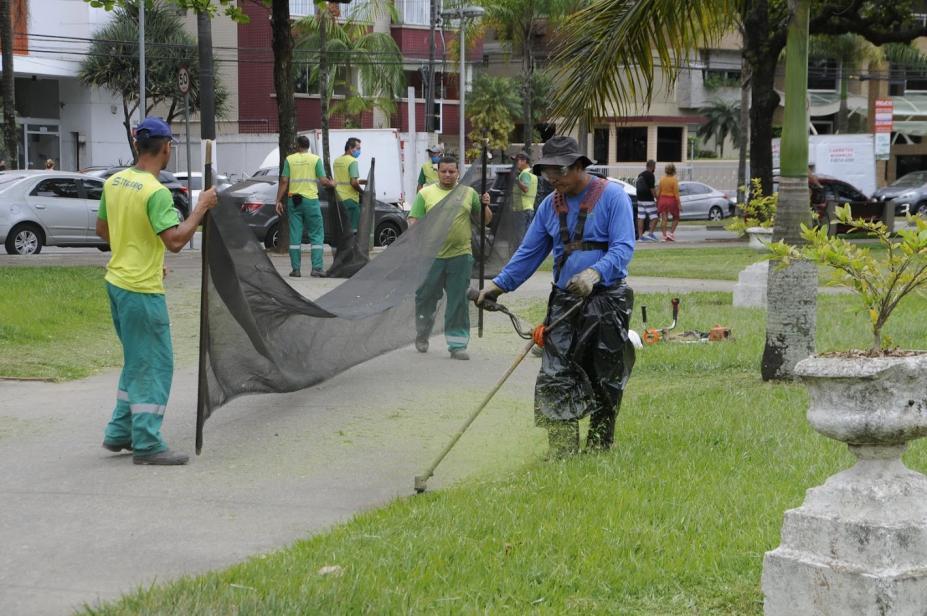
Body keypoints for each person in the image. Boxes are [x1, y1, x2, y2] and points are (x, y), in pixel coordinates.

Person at [477, 136, 636, 458]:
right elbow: (529, 252)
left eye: (559, 171)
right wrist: (499, 285)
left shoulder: (613, 198)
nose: (553, 179)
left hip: (607, 301)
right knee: (555, 375)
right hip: (564, 302)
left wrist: (595, 274)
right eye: (548, 172)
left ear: (579, 166)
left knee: (603, 375)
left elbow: (623, 248)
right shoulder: (550, 206)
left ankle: (599, 445)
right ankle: (562, 451)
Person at [95, 117, 218, 465]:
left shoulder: (115, 182)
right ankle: (147, 442)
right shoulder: (156, 192)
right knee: (154, 364)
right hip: (141, 292)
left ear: (137, 145)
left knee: (136, 359)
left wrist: (144, 253)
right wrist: (201, 209)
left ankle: (120, 432)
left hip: (118, 284)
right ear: (166, 148)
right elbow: (177, 240)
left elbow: (104, 230)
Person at [410, 156, 492, 360]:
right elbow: (414, 220)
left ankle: (457, 345)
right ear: (437, 172)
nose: (447, 175)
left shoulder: (468, 193)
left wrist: (485, 206)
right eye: (443, 171)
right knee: (425, 298)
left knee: (458, 301)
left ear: (458, 172)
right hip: (431, 257)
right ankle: (422, 333)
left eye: (451, 171)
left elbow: (484, 221)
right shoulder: (425, 193)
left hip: (461, 256)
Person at [275, 135, 334, 278]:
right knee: (316, 234)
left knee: (295, 235)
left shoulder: (290, 159)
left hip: (293, 201)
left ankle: (296, 269)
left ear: (297, 145)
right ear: (308, 147)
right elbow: (323, 181)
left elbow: (284, 181)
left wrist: (278, 200)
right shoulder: (315, 159)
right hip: (311, 201)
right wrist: (332, 183)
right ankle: (317, 268)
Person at [333, 137, 367, 231]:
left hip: (338, 200)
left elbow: (342, 179)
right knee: (353, 231)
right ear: (350, 148)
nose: (359, 151)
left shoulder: (337, 161)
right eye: (358, 148)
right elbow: (353, 183)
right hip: (350, 200)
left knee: (343, 230)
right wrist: (362, 192)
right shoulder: (352, 161)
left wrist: (360, 181)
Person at [512, 152, 538, 243]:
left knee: (521, 239)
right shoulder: (531, 173)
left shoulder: (525, 174)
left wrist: (515, 179)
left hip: (522, 210)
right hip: (528, 208)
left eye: (517, 161)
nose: (515, 163)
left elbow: (525, 188)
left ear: (524, 161)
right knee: (527, 238)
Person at [656, 162, 681, 241]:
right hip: (671, 200)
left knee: (664, 218)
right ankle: (671, 233)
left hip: (662, 199)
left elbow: (658, 192)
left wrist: (657, 201)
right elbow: (676, 194)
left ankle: (664, 235)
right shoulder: (674, 180)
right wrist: (679, 204)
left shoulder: (662, 179)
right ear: (674, 171)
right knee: (676, 217)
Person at [635, 160, 658, 241]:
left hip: (640, 199)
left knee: (641, 217)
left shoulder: (640, 174)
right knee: (655, 217)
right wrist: (657, 198)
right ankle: (650, 234)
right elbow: (652, 189)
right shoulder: (650, 175)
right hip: (648, 199)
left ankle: (640, 237)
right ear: (653, 166)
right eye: (655, 166)